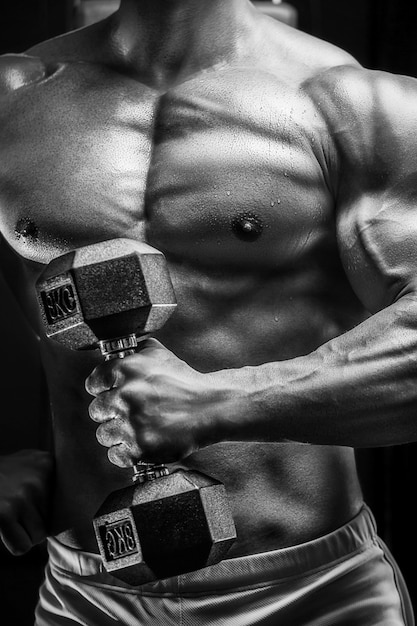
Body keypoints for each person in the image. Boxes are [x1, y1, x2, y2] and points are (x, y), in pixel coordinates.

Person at [0, 0, 416, 623]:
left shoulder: (352, 104)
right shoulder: (12, 98)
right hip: (87, 595)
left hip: (313, 592)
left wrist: (218, 404)